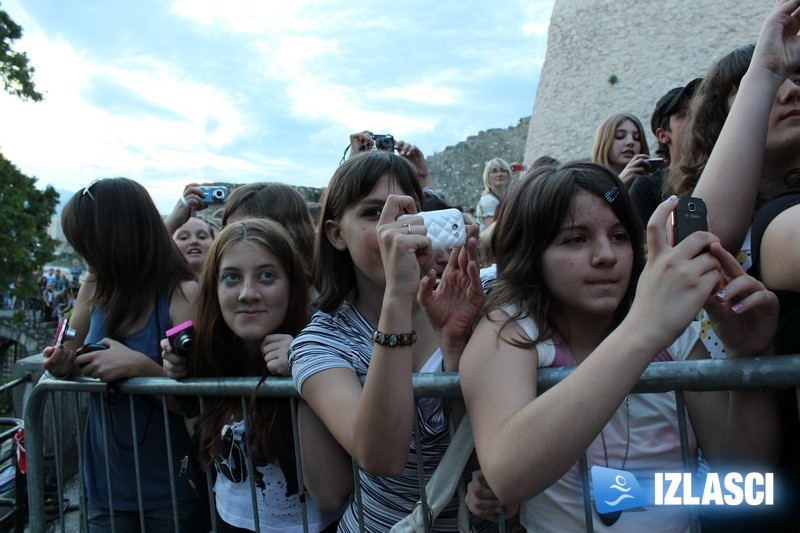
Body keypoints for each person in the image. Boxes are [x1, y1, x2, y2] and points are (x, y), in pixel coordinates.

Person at [459, 162, 781, 532]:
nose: (606, 256)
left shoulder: (674, 338)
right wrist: (642, 329)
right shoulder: (513, 329)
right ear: (532, 254)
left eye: (619, 236)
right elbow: (507, 474)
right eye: (575, 239)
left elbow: (743, 471)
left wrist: (749, 357)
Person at [288, 150, 488, 532]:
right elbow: (381, 457)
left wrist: (456, 346)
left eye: (405, 212)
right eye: (371, 213)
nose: (391, 228)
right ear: (335, 234)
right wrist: (398, 297)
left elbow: (481, 446)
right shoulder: (321, 342)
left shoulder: (476, 298)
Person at [40, 177, 206, 532]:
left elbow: (203, 403)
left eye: (89, 242)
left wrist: (142, 368)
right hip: (104, 489)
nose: (86, 255)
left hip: (170, 490)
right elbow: (70, 344)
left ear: (115, 238)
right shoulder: (98, 290)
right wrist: (63, 362)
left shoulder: (182, 296)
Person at [162, 218, 344, 532]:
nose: (248, 293)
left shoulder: (324, 351)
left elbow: (330, 495)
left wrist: (304, 371)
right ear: (214, 289)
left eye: (267, 276)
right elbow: (204, 448)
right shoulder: (206, 356)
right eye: (231, 278)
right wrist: (182, 379)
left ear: (292, 284)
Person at [630, 78, 703, 228]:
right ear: (663, 135)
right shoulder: (646, 188)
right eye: (684, 115)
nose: (696, 118)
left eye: (700, 112)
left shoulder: (724, 174)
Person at [591, 113, 651, 187]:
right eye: (620, 136)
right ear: (604, 143)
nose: (630, 142)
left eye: (636, 137)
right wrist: (620, 183)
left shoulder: (651, 182)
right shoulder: (588, 182)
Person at [476, 157, 512, 232]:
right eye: (494, 171)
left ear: (508, 174)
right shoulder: (488, 200)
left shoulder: (512, 196)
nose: (499, 174)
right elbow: (491, 230)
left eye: (503, 171)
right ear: (488, 176)